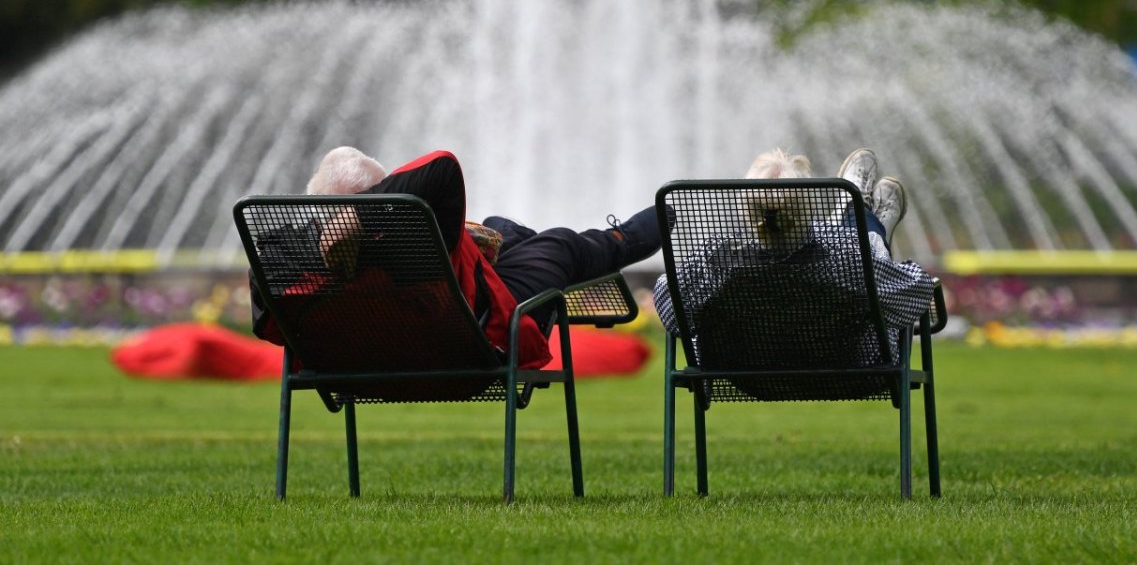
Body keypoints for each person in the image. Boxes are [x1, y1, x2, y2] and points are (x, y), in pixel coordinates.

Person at [250, 146, 663, 369]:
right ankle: (642, 228)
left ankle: (505, 233)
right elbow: (443, 165)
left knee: (501, 232)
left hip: (348, 363)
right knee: (562, 245)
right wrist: (364, 214)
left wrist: (343, 222)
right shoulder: (406, 238)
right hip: (462, 346)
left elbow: (266, 321)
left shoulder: (278, 256)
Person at [652, 147, 936, 365]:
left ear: (746, 210)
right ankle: (866, 222)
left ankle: (857, 214)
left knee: (860, 257)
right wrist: (906, 270)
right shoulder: (846, 261)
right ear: (809, 207)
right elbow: (916, 294)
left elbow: (671, 311)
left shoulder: (716, 262)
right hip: (850, 369)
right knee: (868, 251)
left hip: (744, 375)